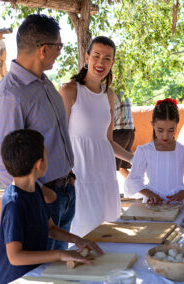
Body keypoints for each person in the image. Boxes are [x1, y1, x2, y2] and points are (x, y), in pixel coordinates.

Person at [0, 14, 75, 250]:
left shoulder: (44, 83)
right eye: (59, 46)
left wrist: (69, 178)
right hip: (42, 200)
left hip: (64, 192)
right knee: (44, 273)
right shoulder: (10, 96)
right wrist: (40, 192)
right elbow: (0, 164)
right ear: (44, 50)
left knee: (60, 272)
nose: (60, 51)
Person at [0, 129, 102, 284]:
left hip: (34, 273)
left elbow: (51, 229)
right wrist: (59, 254)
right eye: (46, 154)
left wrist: (78, 240)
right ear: (38, 164)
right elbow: (15, 257)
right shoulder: (14, 203)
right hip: (15, 279)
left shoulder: (35, 189)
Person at [60, 36, 133, 237]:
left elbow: (107, 141)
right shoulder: (69, 91)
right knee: (82, 233)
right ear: (87, 57)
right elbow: (60, 139)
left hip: (104, 174)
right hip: (79, 174)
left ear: (112, 63)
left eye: (107, 58)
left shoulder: (109, 95)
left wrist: (135, 159)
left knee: (106, 233)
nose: (101, 63)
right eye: (96, 56)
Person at [124, 98, 184, 205]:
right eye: (160, 130)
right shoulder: (144, 151)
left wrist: (182, 193)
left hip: (179, 203)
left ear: (177, 125)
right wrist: (149, 194)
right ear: (153, 125)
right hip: (153, 203)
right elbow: (133, 180)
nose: (165, 135)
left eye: (171, 130)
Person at [112, 91, 136, 178]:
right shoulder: (121, 91)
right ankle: (136, 188)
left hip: (119, 132)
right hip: (130, 131)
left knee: (111, 167)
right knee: (122, 166)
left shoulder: (108, 93)